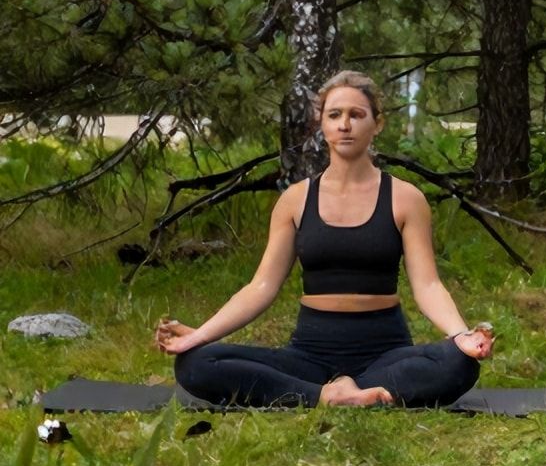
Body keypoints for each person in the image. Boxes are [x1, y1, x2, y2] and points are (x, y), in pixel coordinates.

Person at [155, 71, 492, 407]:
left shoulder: (406, 198)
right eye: (335, 115)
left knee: (459, 363)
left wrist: (461, 335)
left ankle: (361, 392)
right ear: (322, 123)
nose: (345, 124)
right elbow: (261, 287)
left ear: (377, 124)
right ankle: (326, 396)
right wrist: (198, 336)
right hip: (309, 357)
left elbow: (428, 286)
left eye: (357, 115)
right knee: (196, 364)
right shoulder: (295, 199)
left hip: (384, 356)